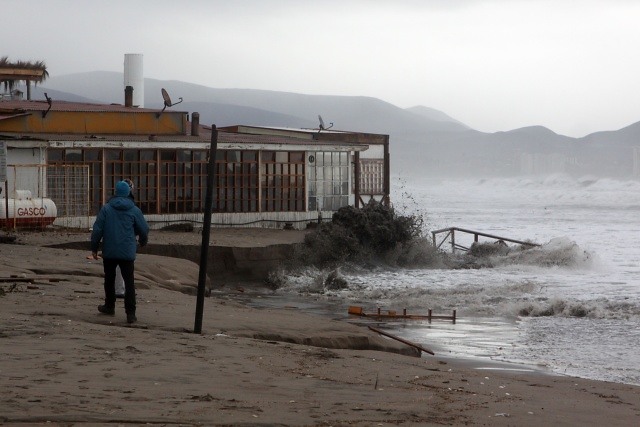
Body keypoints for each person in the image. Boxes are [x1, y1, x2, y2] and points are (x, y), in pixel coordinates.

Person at [91, 180, 149, 324]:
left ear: (115, 192)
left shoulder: (106, 209)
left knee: (109, 279)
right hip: (127, 252)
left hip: (109, 251)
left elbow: (98, 229)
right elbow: (144, 229)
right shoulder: (134, 210)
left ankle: (109, 306)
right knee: (129, 282)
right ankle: (131, 314)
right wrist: (143, 241)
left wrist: (94, 248)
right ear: (129, 192)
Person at [114, 178, 136, 298]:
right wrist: (142, 239)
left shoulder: (108, 206)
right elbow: (141, 226)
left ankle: (113, 297)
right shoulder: (133, 207)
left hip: (112, 242)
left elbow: (99, 226)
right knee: (128, 270)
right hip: (127, 242)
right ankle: (127, 294)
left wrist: (95, 245)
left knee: (114, 269)